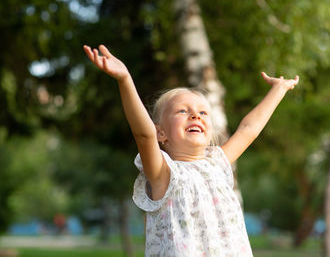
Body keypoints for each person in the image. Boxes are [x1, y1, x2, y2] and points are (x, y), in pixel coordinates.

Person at [83, 44, 299, 256]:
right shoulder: (163, 174)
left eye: (203, 113)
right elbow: (143, 134)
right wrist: (125, 80)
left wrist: (279, 89)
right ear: (161, 133)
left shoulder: (217, 164)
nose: (195, 115)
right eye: (182, 111)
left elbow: (248, 129)